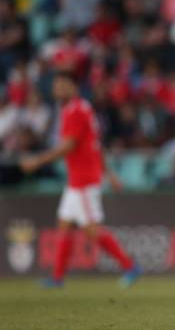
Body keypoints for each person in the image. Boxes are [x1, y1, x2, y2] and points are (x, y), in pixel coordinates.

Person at [20, 72, 141, 288]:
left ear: (73, 87)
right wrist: (110, 174)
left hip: (84, 179)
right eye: (56, 85)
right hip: (78, 179)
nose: (57, 89)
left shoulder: (75, 110)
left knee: (92, 230)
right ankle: (57, 278)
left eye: (62, 85)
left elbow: (69, 145)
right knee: (64, 225)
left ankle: (129, 265)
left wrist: (37, 161)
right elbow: (96, 144)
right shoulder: (79, 108)